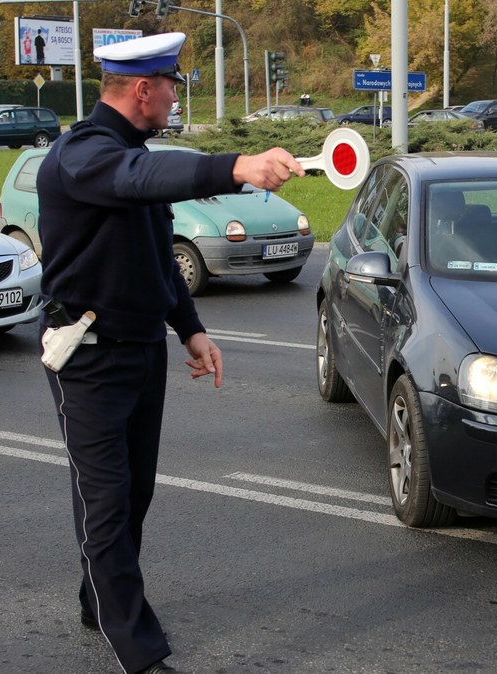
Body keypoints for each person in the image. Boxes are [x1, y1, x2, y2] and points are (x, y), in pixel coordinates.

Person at [35, 32, 303, 674]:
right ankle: (140, 652)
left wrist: (191, 328)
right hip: (89, 356)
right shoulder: (83, 156)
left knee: (133, 497)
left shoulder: (133, 153)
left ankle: (98, 601)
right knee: (105, 500)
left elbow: (158, 255)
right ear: (143, 90)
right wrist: (237, 166)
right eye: (172, 86)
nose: (176, 97)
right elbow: (139, 178)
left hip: (140, 351)